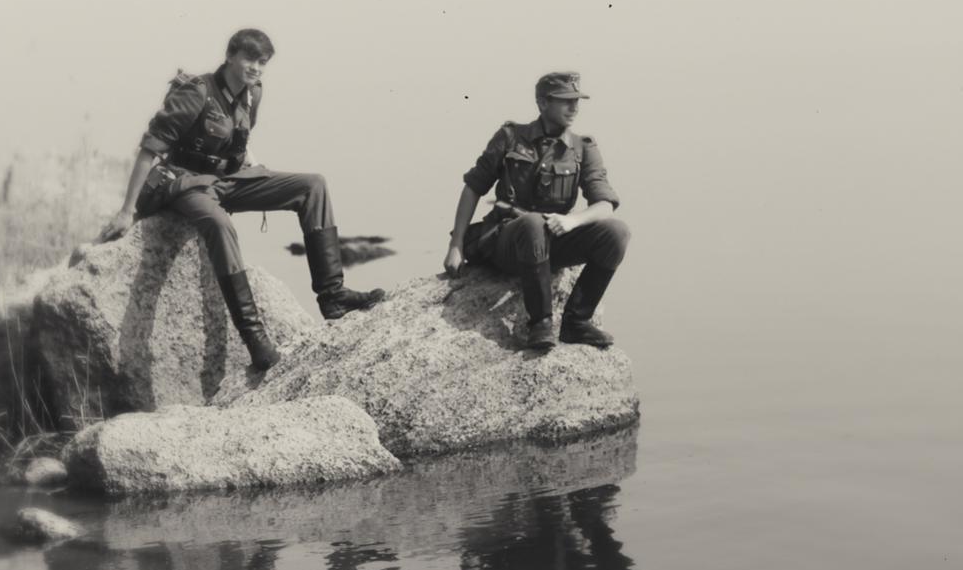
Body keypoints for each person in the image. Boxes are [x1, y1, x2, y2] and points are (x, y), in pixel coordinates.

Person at [97, 28, 384, 371]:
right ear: (230, 56)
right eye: (250, 59)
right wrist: (126, 211)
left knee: (313, 186)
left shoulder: (253, 94)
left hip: (227, 181)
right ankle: (255, 339)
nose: (256, 68)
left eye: (262, 62)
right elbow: (149, 149)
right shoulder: (197, 92)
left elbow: (238, 140)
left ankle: (333, 296)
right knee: (220, 224)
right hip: (186, 183)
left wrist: (257, 169)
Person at [444, 72, 629, 350]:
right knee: (532, 224)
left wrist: (572, 221)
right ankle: (540, 324)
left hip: (551, 242)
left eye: (577, 101)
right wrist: (456, 244)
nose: (574, 108)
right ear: (542, 103)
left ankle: (577, 322)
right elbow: (473, 187)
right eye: (565, 101)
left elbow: (605, 205)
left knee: (617, 232)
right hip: (507, 241)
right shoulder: (510, 137)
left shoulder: (582, 148)